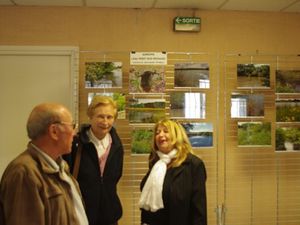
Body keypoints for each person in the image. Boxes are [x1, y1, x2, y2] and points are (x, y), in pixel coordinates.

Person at [0, 103, 88, 225]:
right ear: (54, 131)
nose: (74, 133)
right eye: (72, 126)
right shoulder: (24, 173)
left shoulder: (60, 167)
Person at [64, 96, 124, 225]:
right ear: (90, 116)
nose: (105, 122)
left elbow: (116, 177)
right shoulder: (76, 144)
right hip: (81, 215)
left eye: (109, 117)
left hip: (110, 216)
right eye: (100, 116)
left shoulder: (117, 146)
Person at [139, 118, 207, 225]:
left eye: (166, 131)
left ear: (177, 136)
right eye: (157, 132)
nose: (161, 135)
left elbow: (199, 211)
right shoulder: (156, 163)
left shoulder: (193, 165)